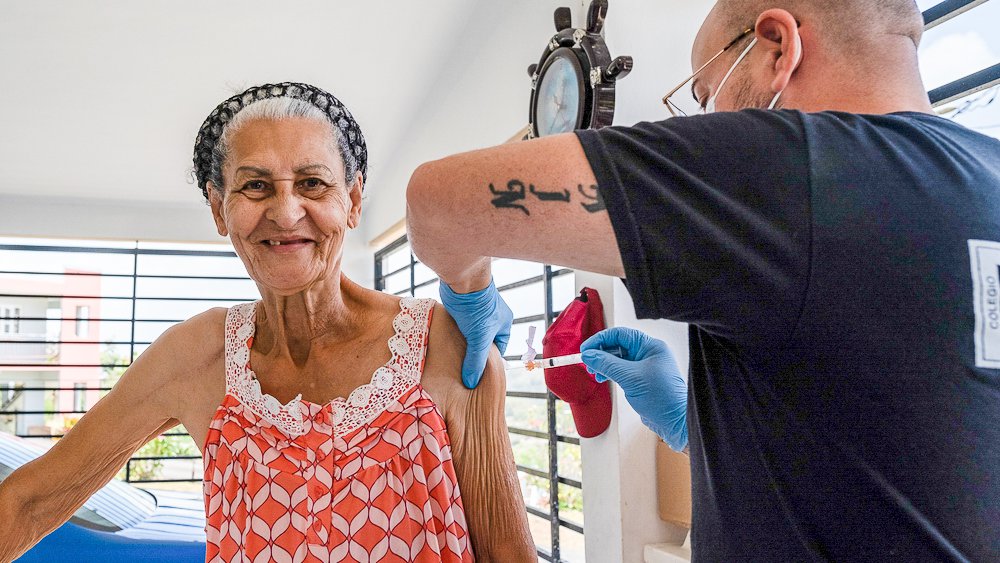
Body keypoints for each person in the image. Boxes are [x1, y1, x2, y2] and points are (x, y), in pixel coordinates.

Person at [406, 0, 1000, 560]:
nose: (710, 118)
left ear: (775, 46)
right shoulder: (986, 180)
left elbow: (435, 204)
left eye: (706, 93)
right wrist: (691, 425)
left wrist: (471, 292)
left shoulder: (788, 167)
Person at [0, 82, 535, 563]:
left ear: (351, 201)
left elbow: (508, 554)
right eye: (255, 186)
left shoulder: (444, 346)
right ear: (218, 209)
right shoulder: (195, 357)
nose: (284, 211)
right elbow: (30, 500)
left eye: (312, 183)